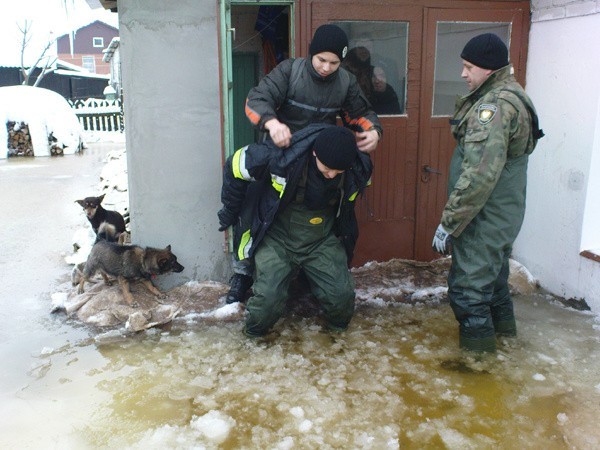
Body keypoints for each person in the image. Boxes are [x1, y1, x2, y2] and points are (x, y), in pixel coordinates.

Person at [224, 24, 382, 304]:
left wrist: (373, 130)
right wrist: (271, 123)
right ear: (311, 54)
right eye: (321, 60)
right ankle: (243, 272)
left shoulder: (345, 81)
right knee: (254, 207)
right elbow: (256, 100)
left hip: (317, 160)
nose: (326, 67)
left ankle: (316, 274)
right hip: (280, 153)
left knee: (327, 213)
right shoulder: (289, 71)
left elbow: (361, 113)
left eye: (334, 62)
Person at [431, 33, 544, 353]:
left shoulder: (493, 108)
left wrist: (450, 222)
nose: (463, 74)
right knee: (493, 282)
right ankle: (505, 341)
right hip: (502, 213)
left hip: (483, 216)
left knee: (468, 292)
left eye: (469, 67)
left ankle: (478, 367)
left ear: (489, 69)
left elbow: (479, 175)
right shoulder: (512, 94)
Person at [218, 125, 373, 337]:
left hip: (320, 240)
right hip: (277, 239)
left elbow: (347, 211)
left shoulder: (358, 168)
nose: (331, 175)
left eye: (338, 171)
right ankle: (251, 340)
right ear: (315, 153)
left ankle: (337, 341)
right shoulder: (282, 158)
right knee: (267, 303)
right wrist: (230, 210)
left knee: (342, 299)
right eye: (327, 168)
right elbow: (235, 165)